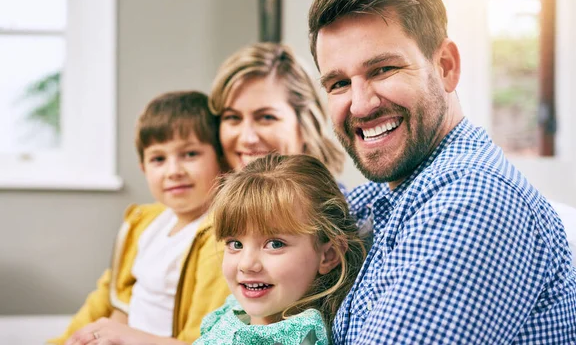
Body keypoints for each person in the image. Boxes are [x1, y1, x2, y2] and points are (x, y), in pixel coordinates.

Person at [307, 0, 576, 344]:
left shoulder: (473, 201)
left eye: (383, 70)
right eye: (338, 83)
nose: (360, 104)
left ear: (446, 66)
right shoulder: (390, 194)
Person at [49, 91, 231, 345]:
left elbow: (203, 338)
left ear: (220, 158)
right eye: (158, 159)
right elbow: (109, 297)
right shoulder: (145, 222)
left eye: (190, 154)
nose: (174, 171)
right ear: (144, 168)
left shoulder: (221, 237)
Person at [192, 154, 366, 345]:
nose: (246, 264)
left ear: (328, 255)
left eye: (275, 244)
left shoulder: (299, 336)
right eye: (236, 244)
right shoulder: (234, 311)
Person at [209, 42, 345, 176]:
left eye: (266, 117)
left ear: (307, 123)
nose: (247, 139)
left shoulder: (342, 199)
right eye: (233, 117)